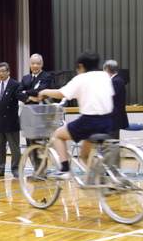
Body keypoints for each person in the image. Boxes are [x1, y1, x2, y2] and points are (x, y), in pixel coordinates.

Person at [37, 50, 114, 180]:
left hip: (90, 121)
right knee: (84, 157)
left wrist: (44, 91)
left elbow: (62, 93)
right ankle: (104, 179)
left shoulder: (81, 78)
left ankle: (65, 169)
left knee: (58, 135)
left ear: (81, 66)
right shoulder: (104, 76)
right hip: (107, 121)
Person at [17, 54, 53, 169]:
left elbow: (40, 91)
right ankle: (35, 170)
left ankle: (42, 170)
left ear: (42, 64)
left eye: (38, 63)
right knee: (30, 144)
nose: (35, 66)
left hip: (40, 116)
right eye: (33, 63)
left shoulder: (47, 77)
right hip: (28, 115)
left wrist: (25, 92)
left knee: (40, 144)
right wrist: (30, 98)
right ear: (29, 65)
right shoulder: (25, 78)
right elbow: (18, 93)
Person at [0, 62, 21, 178]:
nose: (1, 74)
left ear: (9, 72)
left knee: (14, 149)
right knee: (0, 149)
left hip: (11, 121)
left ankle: (16, 169)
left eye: (3, 71)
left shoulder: (15, 84)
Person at [103, 60, 129, 139]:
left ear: (107, 70)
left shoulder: (116, 81)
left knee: (111, 145)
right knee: (113, 145)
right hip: (113, 118)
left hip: (113, 118)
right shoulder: (117, 80)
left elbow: (110, 98)